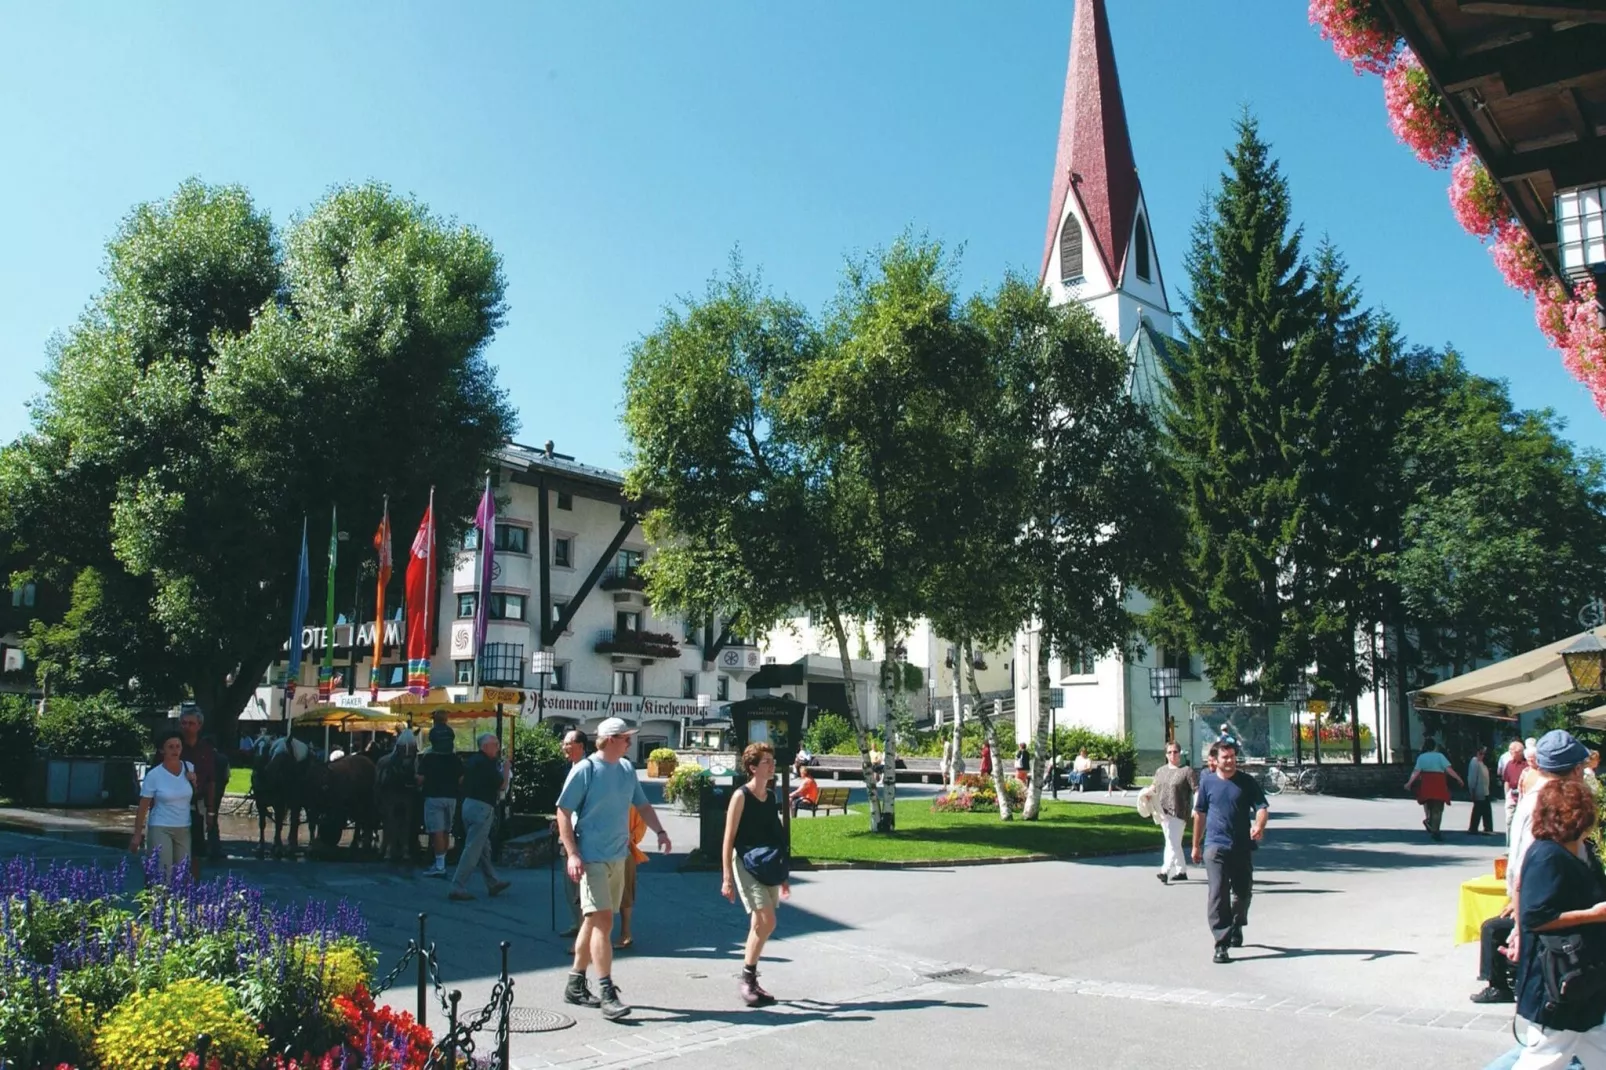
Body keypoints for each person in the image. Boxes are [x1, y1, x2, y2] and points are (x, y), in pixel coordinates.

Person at [555, 717, 672, 1021]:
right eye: (625, 738)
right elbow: (563, 812)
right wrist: (572, 854)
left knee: (592, 923)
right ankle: (607, 991)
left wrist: (660, 831)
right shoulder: (586, 769)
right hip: (591, 856)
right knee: (604, 922)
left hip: (618, 856)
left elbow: (643, 805)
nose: (630, 742)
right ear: (608, 740)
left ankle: (575, 983)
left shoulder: (625, 770)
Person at [1509, 777, 1606, 1066]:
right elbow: (1535, 917)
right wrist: (1594, 915)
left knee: (1592, 1043)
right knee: (1546, 1055)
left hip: (1584, 976)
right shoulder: (1546, 855)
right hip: (1558, 977)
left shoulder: (1583, 848)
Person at [721, 742, 791, 1006]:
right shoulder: (741, 796)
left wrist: (784, 874)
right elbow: (728, 838)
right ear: (752, 768)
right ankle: (747, 979)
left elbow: (776, 834)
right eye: (767, 762)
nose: (772, 766)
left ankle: (752, 980)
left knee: (759, 925)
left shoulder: (770, 796)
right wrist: (727, 876)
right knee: (767, 920)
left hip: (768, 863)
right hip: (746, 863)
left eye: (773, 762)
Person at [1191, 738, 1269, 964]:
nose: (1230, 761)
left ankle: (1237, 923)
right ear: (1215, 760)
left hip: (1241, 846)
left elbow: (1262, 808)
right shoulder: (1207, 783)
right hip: (1215, 846)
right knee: (1218, 893)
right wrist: (1196, 844)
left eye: (1233, 757)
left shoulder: (1246, 782)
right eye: (1225, 757)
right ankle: (1221, 943)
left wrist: (1259, 825)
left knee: (1243, 893)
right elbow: (1200, 814)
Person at [449, 733, 512, 901]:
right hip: (482, 807)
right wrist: (506, 770)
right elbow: (502, 785)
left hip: (468, 805)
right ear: (486, 746)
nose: (498, 748)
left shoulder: (472, 761)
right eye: (495, 744)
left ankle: (493, 882)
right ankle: (458, 885)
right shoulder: (487, 763)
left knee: (483, 847)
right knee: (473, 849)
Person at [132, 733, 198, 880]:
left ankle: (177, 902)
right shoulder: (154, 775)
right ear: (162, 751)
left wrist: (194, 782)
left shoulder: (189, 767)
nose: (175, 750)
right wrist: (137, 834)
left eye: (178, 746)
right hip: (160, 826)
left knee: (182, 874)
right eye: (170, 747)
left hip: (184, 827)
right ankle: (158, 901)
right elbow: (143, 806)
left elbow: (194, 795)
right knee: (163, 872)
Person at [554, 728, 589, 938]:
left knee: (580, 886)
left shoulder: (585, 769)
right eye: (564, 743)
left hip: (580, 834)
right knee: (569, 885)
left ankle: (584, 934)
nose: (564, 747)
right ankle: (577, 924)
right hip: (569, 832)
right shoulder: (573, 768)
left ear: (581, 747)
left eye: (568, 743)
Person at [178, 709, 221, 874]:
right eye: (184, 723)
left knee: (195, 851)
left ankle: (192, 890)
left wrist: (211, 812)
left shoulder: (206, 749)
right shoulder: (173, 745)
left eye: (191, 723)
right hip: (173, 805)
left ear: (199, 725)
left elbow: (211, 781)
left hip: (196, 805)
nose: (187, 727)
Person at [1152, 741, 1199, 885]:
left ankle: (1164, 871)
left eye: (1175, 752)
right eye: (1170, 752)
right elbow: (1154, 787)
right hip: (1162, 811)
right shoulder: (1161, 771)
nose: (1173, 755)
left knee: (1172, 843)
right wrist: (1146, 795)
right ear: (1166, 754)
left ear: (1180, 753)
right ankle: (1181, 871)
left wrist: (1196, 807)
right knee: (1173, 842)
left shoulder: (1186, 771)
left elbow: (1196, 790)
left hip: (1179, 811)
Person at [417, 731, 461, 878]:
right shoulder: (455, 759)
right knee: (446, 831)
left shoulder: (428, 758)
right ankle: (442, 861)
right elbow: (461, 779)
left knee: (436, 831)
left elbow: (420, 779)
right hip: (452, 797)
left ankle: (440, 865)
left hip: (433, 797)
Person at [1405, 739, 1464, 842]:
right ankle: (1435, 830)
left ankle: (1429, 821)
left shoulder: (1421, 757)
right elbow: (1448, 769)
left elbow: (1416, 771)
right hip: (1438, 784)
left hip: (1426, 784)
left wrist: (1409, 783)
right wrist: (1458, 778)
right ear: (1434, 747)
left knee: (1429, 805)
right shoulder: (1440, 756)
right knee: (1438, 809)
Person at [376, 729, 419, 864]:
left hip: (407, 791)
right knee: (389, 817)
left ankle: (404, 846)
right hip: (392, 790)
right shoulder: (386, 761)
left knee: (407, 818)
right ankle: (388, 844)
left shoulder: (415, 759)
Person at [616, 806, 648, 951]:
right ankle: (583, 934)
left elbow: (642, 816)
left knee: (625, 892)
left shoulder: (629, 796)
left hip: (623, 849)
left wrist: (632, 836)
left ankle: (625, 932)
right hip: (597, 848)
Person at [1504, 740, 1530, 841]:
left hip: (1524, 795)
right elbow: (1506, 780)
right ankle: (1509, 844)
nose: (1510, 754)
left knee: (1523, 821)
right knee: (1509, 819)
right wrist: (1507, 795)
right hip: (1512, 793)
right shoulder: (1509, 764)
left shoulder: (1527, 764)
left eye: (1512, 752)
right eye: (1510, 751)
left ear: (1520, 752)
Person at [1467, 745, 1494, 835]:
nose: (1482, 755)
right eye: (1481, 753)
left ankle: (1488, 828)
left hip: (1485, 790)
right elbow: (1472, 778)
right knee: (1477, 810)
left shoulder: (1481, 763)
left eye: (1484, 754)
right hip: (1478, 790)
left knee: (1486, 810)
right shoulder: (1474, 762)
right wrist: (1472, 790)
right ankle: (1473, 828)